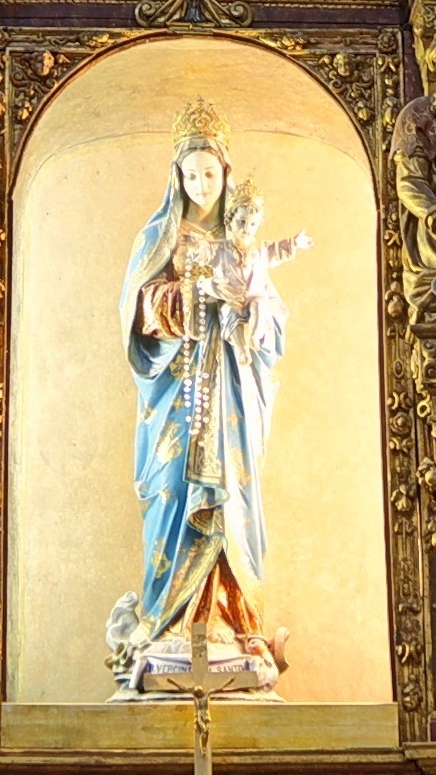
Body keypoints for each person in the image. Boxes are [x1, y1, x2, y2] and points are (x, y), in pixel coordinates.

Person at [116, 100, 305, 693]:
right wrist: (190, 302)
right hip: (176, 398)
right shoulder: (160, 237)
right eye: (190, 174)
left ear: (226, 175)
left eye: (210, 173)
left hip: (230, 397)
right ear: (177, 178)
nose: (200, 184)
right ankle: (169, 623)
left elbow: (272, 322)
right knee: (175, 493)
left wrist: (247, 311)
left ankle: (231, 623)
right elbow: (137, 312)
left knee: (232, 502)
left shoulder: (242, 242)